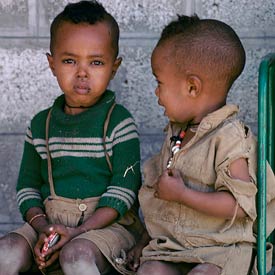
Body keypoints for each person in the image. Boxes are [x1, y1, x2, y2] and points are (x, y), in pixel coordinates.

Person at [0, 1, 143, 275]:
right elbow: (27, 187)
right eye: (69, 60)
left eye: (96, 62)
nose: (82, 73)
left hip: (105, 228)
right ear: (51, 64)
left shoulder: (118, 122)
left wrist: (78, 231)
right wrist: (43, 229)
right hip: (49, 224)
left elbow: (123, 192)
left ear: (114, 67)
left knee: (76, 256)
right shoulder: (41, 125)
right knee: (6, 251)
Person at [127, 15, 275, 275]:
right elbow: (160, 204)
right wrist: (143, 243)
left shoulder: (229, 139)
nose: (156, 93)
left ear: (192, 87)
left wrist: (183, 194)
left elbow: (240, 206)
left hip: (221, 250)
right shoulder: (177, 133)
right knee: (149, 272)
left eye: (159, 82)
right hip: (175, 247)